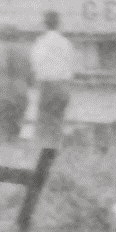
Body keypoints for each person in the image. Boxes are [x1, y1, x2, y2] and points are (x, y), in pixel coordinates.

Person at [24, 12, 78, 147]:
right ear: (58, 24)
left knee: (43, 124)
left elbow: (35, 65)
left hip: (48, 86)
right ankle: (55, 152)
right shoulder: (66, 43)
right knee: (58, 123)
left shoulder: (40, 43)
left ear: (44, 24)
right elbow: (72, 64)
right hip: (64, 87)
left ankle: (42, 155)